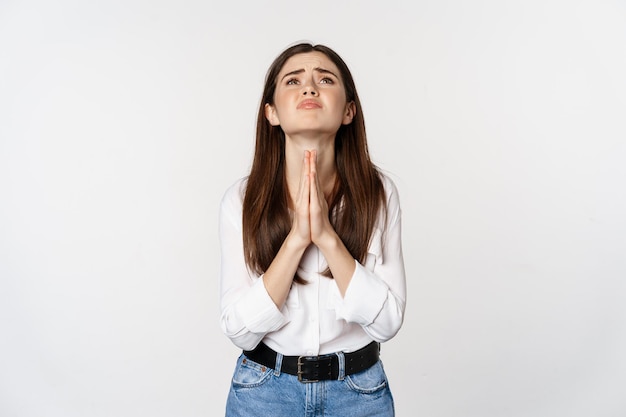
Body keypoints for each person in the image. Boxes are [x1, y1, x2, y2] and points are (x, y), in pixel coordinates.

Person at [218, 42, 406, 417]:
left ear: (349, 110)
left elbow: (388, 322)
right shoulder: (241, 199)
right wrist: (297, 240)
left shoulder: (378, 194)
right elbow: (239, 330)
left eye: (325, 79)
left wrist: (327, 237)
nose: (309, 88)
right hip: (263, 393)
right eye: (293, 81)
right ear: (271, 112)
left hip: (359, 393)